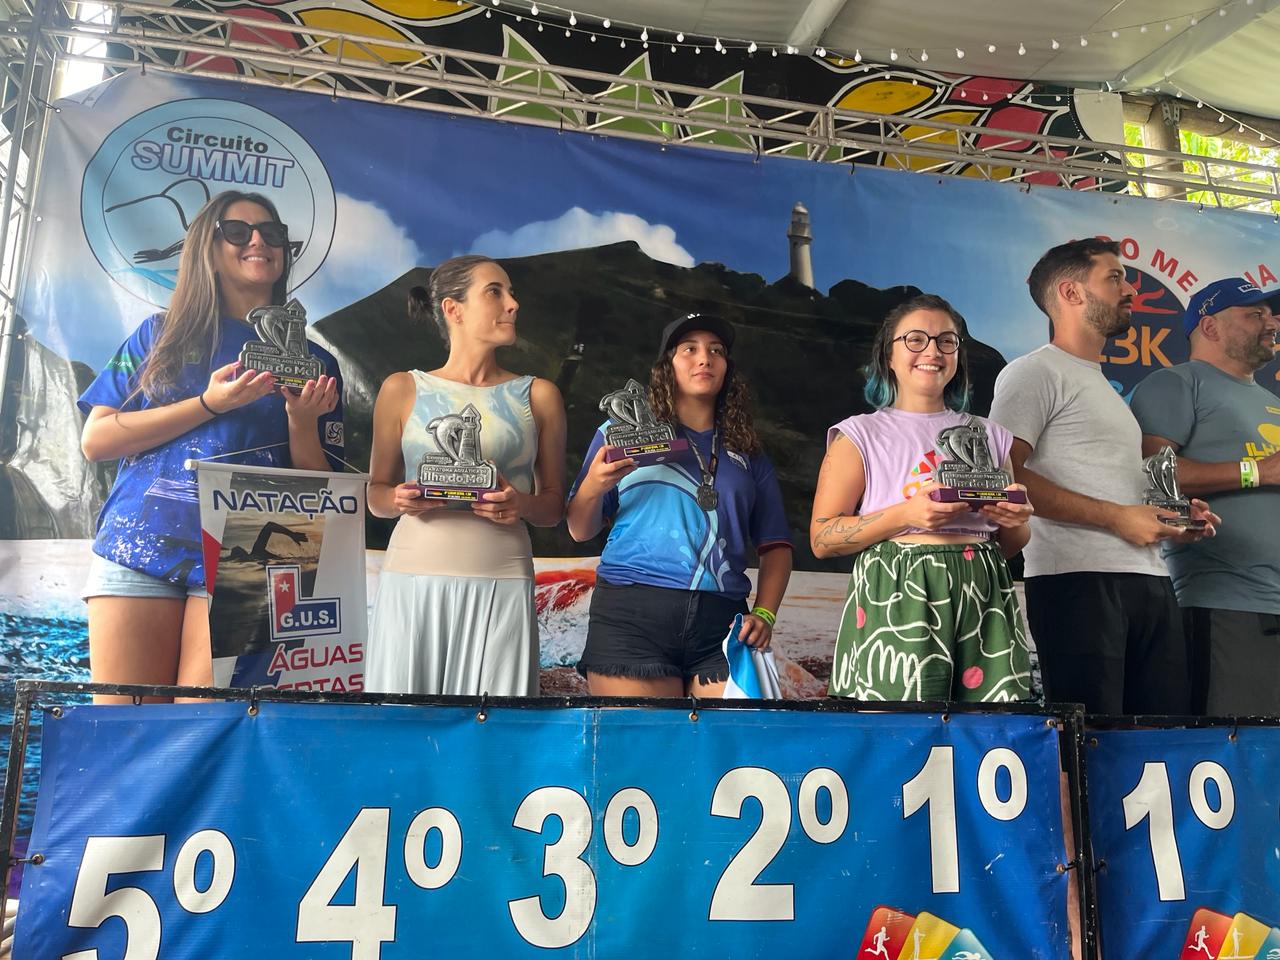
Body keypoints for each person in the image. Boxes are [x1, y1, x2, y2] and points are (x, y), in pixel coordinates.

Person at [79, 190, 344, 703]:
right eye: (238, 231)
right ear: (209, 248)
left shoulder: (317, 363)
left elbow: (321, 490)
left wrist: (301, 421)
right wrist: (208, 404)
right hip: (142, 539)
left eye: (272, 233)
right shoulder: (159, 335)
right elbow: (97, 439)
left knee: (204, 730)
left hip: (253, 551)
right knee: (121, 728)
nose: (258, 241)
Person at [988, 238, 1217, 715]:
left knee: (1157, 741)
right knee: (1092, 742)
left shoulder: (1098, 384)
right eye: (1114, 278)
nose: (1130, 289)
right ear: (1071, 293)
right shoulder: (1033, 372)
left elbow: (1112, 487)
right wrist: (1116, 518)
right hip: (1076, 583)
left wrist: (1174, 517)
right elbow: (1004, 475)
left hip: (1149, 578)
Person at [811, 294, 1034, 702]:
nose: (932, 351)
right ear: (888, 355)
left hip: (984, 591)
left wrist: (1017, 520)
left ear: (958, 357)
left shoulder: (990, 435)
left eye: (946, 341)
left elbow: (1009, 545)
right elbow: (822, 538)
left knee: (991, 724)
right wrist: (908, 514)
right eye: (915, 339)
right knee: (900, 724)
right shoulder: (858, 435)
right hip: (899, 591)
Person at [365, 254, 566, 696]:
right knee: (404, 723)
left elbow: (553, 507)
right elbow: (375, 494)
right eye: (495, 292)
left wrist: (520, 504)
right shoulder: (402, 388)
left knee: (496, 727)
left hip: (503, 582)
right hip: (412, 583)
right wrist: (398, 499)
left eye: (511, 293)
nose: (512, 304)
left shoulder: (539, 395)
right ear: (453, 309)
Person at [566, 314, 792, 697]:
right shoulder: (618, 435)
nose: (704, 358)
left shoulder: (748, 451)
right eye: (689, 349)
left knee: (737, 736)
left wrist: (765, 612)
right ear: (666, 365)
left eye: (716, 351)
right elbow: (579, 529)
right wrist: (593, 486)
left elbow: (776, 545)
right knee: (646, 737)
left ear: (727, 368)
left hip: (723, 622)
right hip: (631, 617)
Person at [1130, 277, 1280, 714]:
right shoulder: (1176, 383)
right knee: (1233, 743)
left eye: (1271, 314)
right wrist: (1258, 471)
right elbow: (1150, 472)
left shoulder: (1270, 399)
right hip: (1224, 603)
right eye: (1255, 314)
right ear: (1210, 326)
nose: (1272, 322)